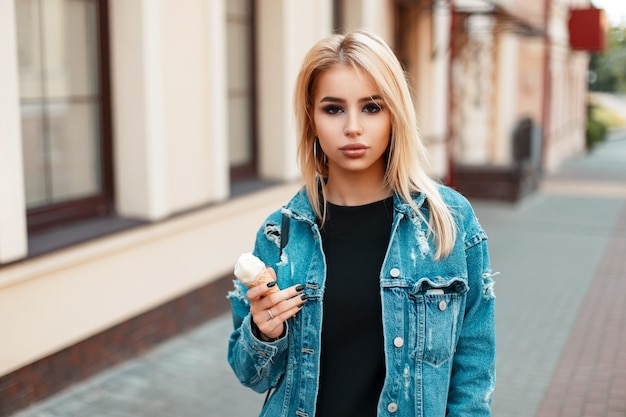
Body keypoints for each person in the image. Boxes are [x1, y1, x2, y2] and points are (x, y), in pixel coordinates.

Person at [227, 30, 496, 417]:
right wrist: (263, 333)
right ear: (311, 118)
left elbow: (473, 370)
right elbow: (250, 375)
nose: (353, 127)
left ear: (395, 114)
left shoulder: (447, 222)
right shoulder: (281, 234)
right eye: (333, 109)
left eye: (372, 107)